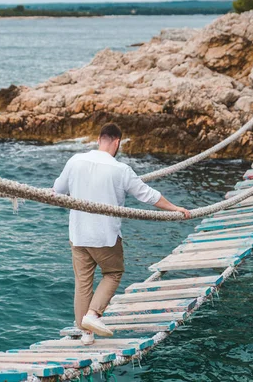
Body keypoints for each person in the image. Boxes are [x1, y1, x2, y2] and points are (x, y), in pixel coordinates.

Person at [53, 123, 191, 345]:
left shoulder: (75, 161)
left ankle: (85, 334)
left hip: (77, 234)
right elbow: (148, 195)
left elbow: (57, 190)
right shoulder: (120, 170)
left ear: (99, 139)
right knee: (114, 272)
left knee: (83, 282)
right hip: (104, 236)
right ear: (117, 142)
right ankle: (93, 315)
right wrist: (175, 208)